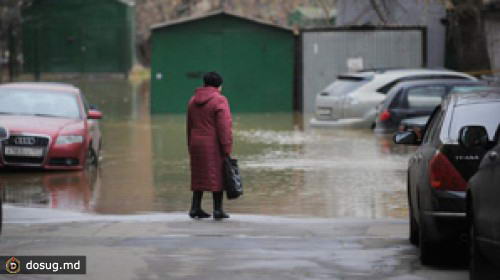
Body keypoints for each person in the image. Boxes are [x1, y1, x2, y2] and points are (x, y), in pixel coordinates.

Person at [187, 72, 232, 220]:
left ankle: (195, 207)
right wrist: (226, 147)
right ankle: (218, 210)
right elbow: (224, 126)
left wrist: (190, 144)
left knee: (198, 174)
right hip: (213, 143)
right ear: (219, 85)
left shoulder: (193, 100)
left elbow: (189, 125)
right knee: (217, 174)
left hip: (196, 142)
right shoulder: (220, 100)